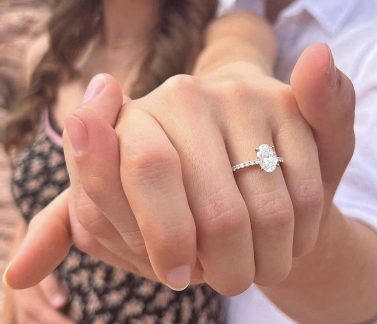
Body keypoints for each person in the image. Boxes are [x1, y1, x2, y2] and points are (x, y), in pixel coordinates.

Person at [5, 0, 377, 323]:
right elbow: (39, 183)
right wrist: (24, 271)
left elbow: (232, 61)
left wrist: (234, 79)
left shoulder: (218, 30)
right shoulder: (51, 51)